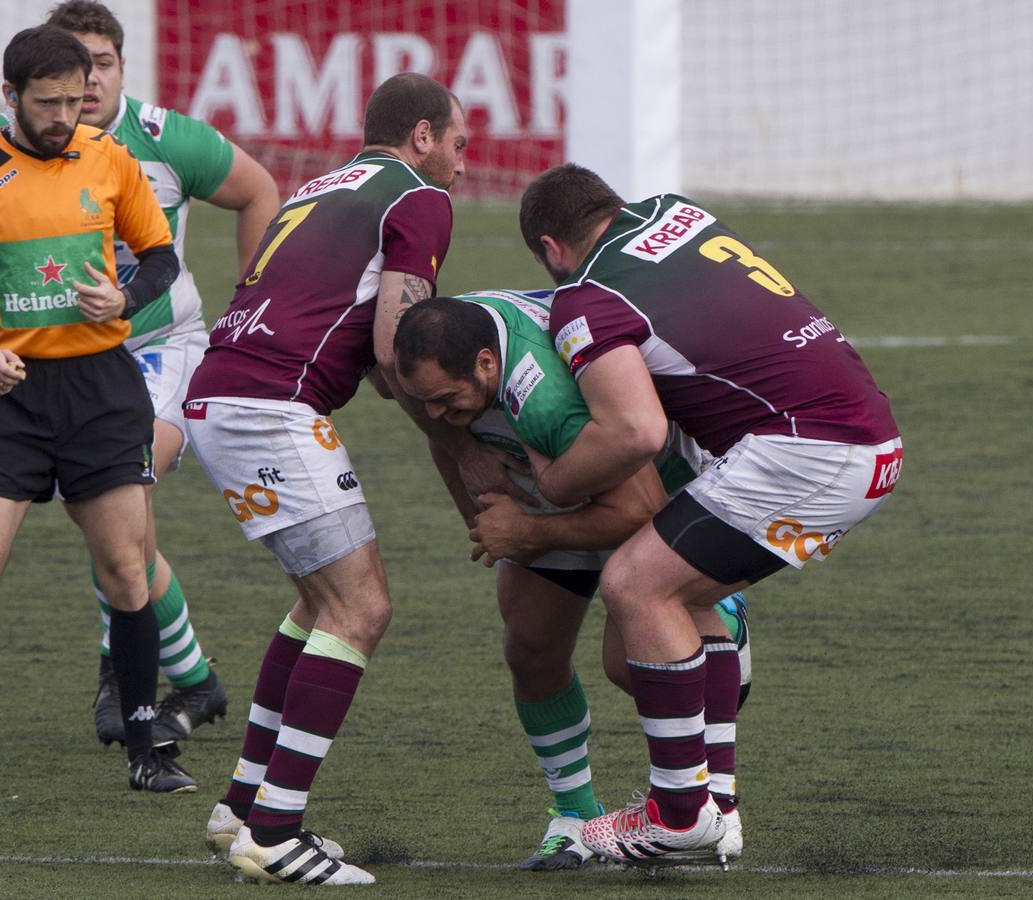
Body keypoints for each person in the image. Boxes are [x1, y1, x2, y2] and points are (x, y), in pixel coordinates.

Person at [0, 0, 282, 751]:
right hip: (45, 367)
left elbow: (257, 193)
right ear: (22, 91)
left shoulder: (161, 138)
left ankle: (126, 666)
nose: (80, 95)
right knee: (110, 538)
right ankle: (187, 676)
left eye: (98, 70)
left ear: (113, 68)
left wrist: (250, 306)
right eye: (59, 84)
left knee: (121, 525)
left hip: (160, 347)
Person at [517, 164, 903, 866]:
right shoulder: (677, 211)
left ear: (550, 248)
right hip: (867, 438)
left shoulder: (583, 294)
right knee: (686, 594)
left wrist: (550, 481)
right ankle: (715, 807)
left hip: (808, 448)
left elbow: (634, 433)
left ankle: (676, 816)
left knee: (636, 583)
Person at [183, 73, 473, 886]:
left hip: (218, 397)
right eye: (455, 140)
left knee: (319, 604)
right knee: (362, 607)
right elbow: (398, 345)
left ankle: (242, 807)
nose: (461, 159)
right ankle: (275, 833)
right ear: (420, 136)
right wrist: (456, 441)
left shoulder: (321, 186)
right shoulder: (417, 196)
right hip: (269, 406)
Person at [0, 25, 192, 794]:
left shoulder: (110, 159)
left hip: (101, 389)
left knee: (128, 571)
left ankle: (144, 746)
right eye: (49, 102)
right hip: (8, 394)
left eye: (75, 99)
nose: (67, 114)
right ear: (11, 98)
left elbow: (161, 255)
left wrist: (125, 294)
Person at [393, 290, 752, 871]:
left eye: (444, 399)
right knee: (530, 646)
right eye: (422, 400)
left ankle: (711, 800)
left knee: (629, 663)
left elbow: (637, 509)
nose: (433, 414)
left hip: (656, 497)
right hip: (554, 489)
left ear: (487, 363)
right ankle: (576, 815)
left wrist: (528, 534)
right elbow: (409, 391)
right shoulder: (431, 353)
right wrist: (467, 464)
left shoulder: (547, 401)